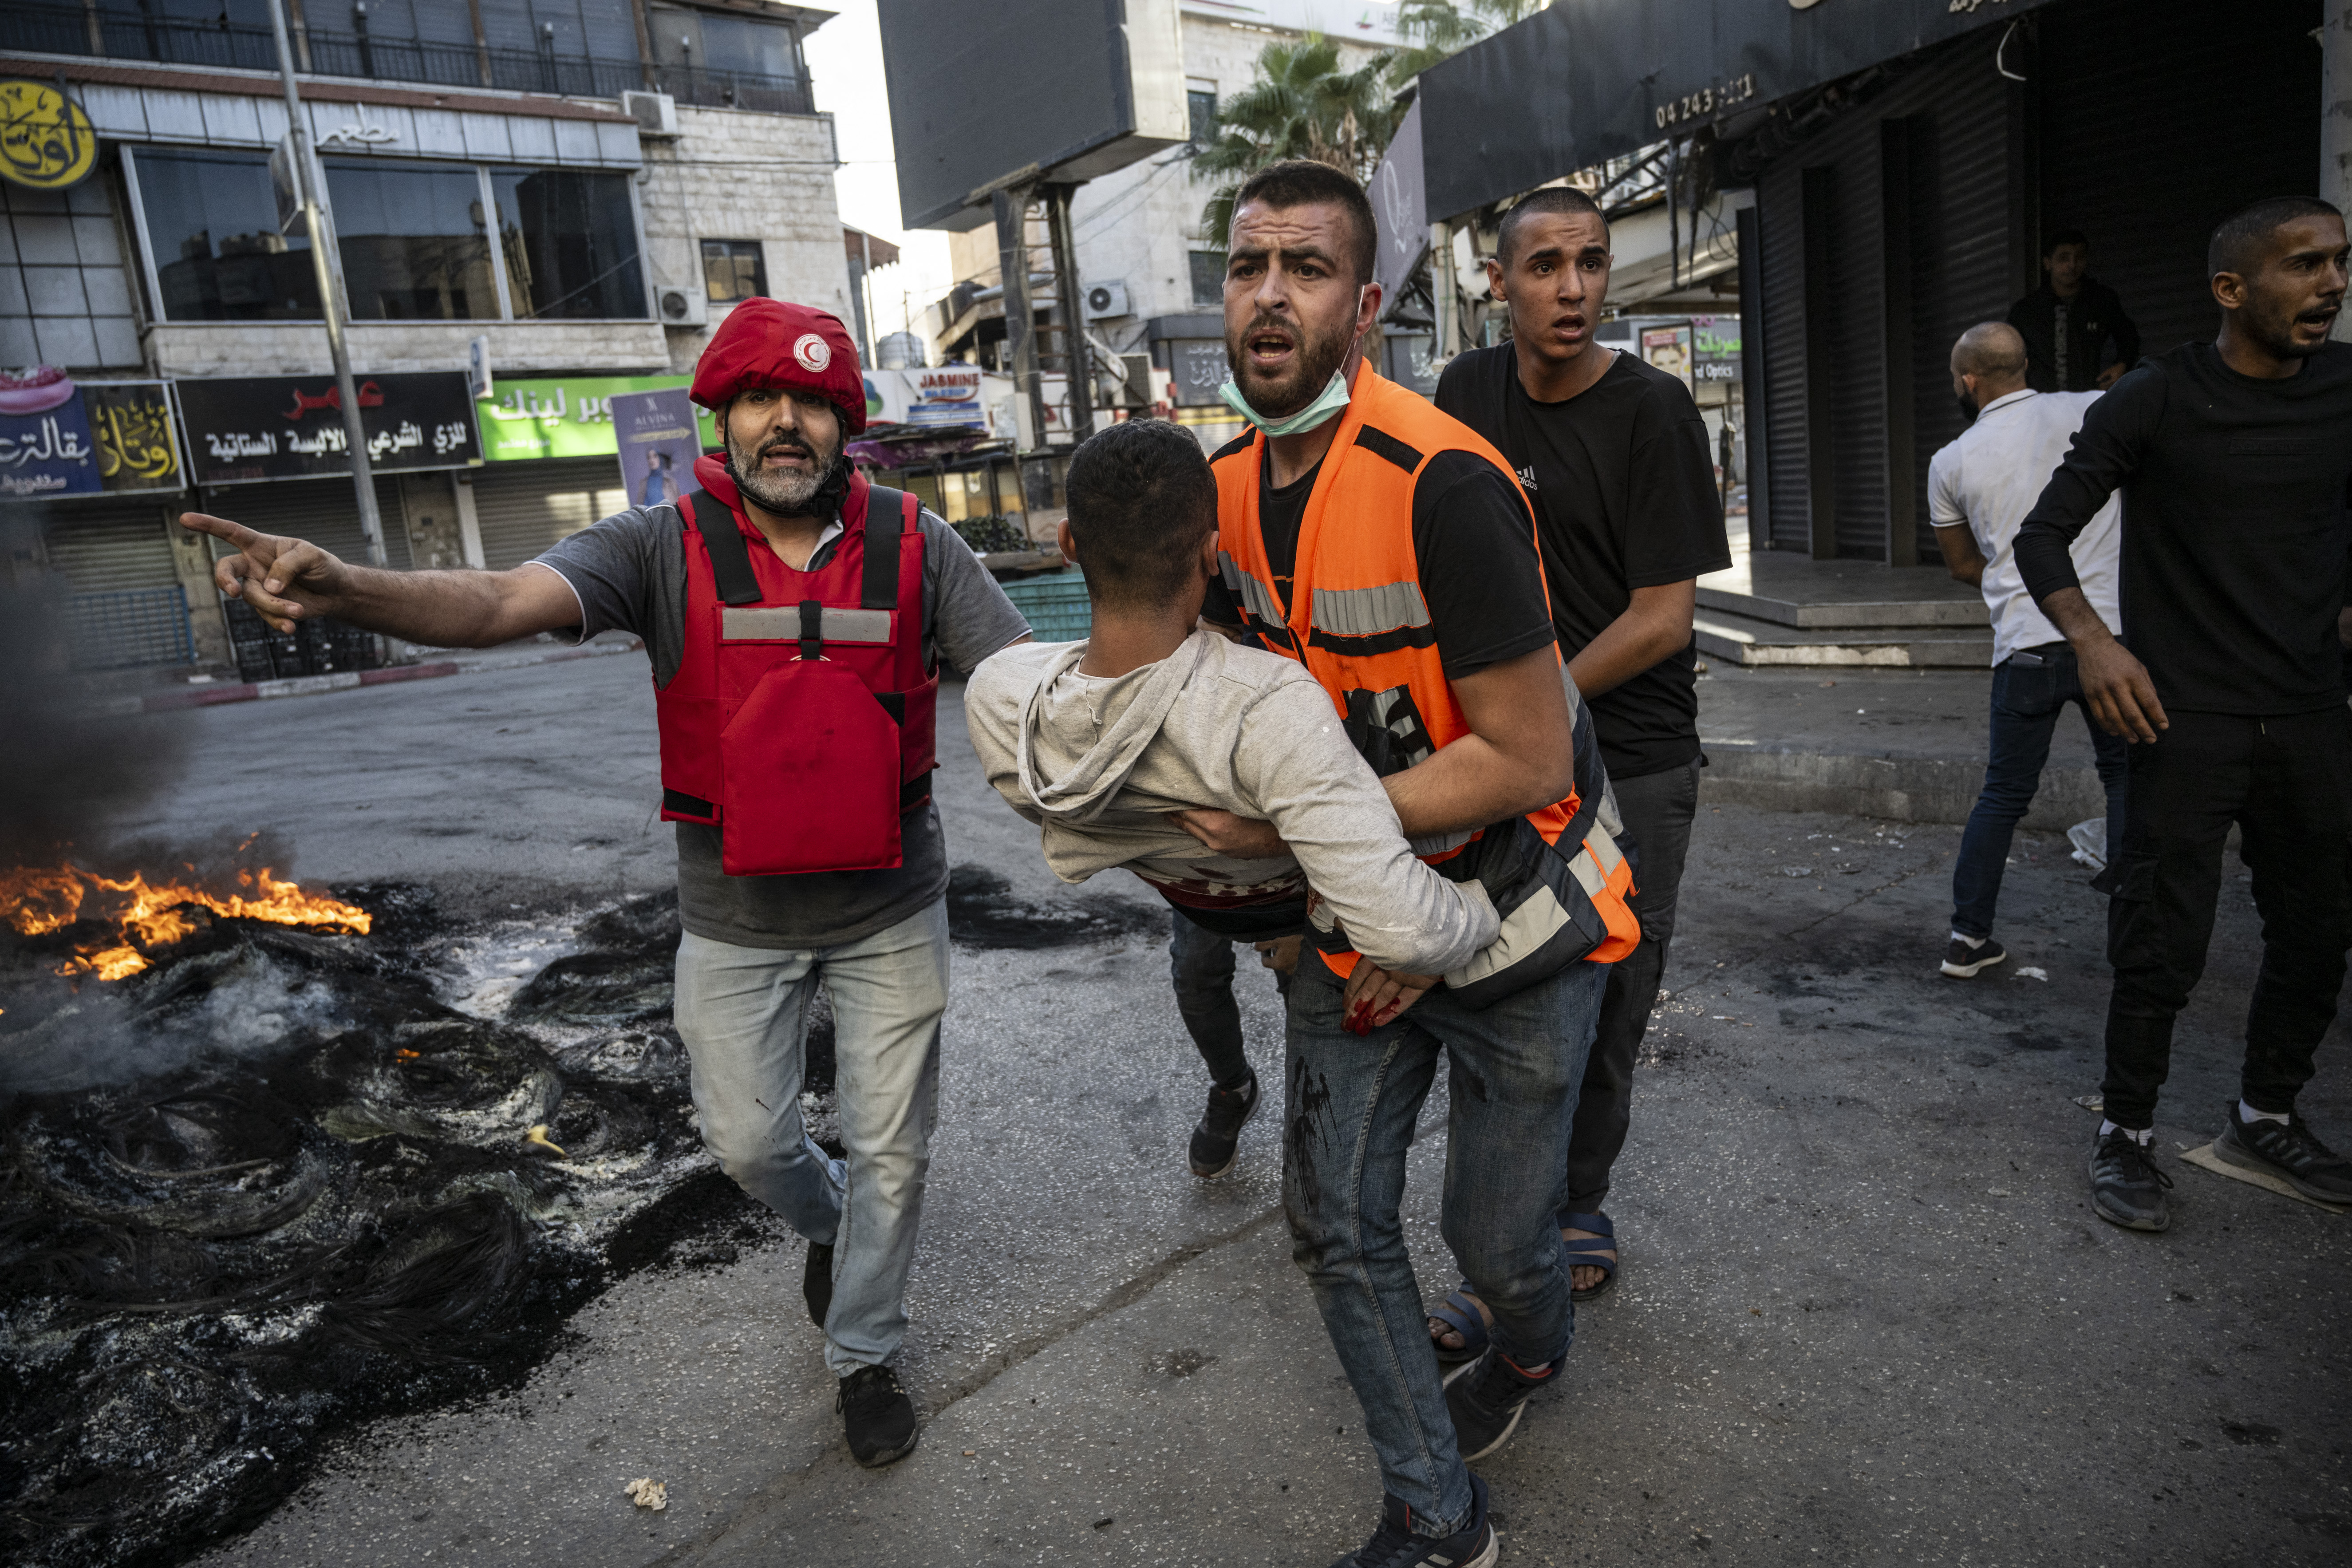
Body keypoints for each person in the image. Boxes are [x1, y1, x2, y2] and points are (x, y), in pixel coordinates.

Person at [179, 299, 1030, 1466]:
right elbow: (493, 602)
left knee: (896, 1146)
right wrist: (348, 589)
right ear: (721, 421)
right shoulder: (653, 545)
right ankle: (833, 1222)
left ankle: (864, 1350)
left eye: (812, 404)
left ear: (848, 424)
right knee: (747, 1143)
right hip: (733, 919)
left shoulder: (919, 544)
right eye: (758, 402)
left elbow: (1028, 679)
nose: (786, 424)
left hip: (892, 906)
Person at [1184, 159, 1640, 1568]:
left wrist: (1311, 851)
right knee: (1331, 1220)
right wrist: (1290, 916)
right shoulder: (1214, 492)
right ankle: (1436, 1515)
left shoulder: (1443, 480)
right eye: (1247, 264)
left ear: (1364, 305)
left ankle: (1524, 1343)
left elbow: (1523, 759)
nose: (1268, 291)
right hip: (1350, 909)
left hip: (1510, 921)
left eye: (1304, 267)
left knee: (1502, 1246)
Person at [2015, 196, 2352, 1231]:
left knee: (2317, 930)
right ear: (2231, 288)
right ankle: (2126, 1130)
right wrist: (2096, 642)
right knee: (2163, 938)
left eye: (2338, 263)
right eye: (2303, 266)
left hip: (2309, 713)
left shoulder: (2347, 388)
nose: (2330, 285)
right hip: (2185, 717)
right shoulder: (2156, 398)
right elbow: (2040, 538)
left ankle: (2265, 1110)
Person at [1431, 185, 1731, 1329]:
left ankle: (1577, 1202)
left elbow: (1664, 617)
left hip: (1636, 753)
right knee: (1500, 983)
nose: (1573, 288)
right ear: (1497, 283)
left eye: (1592, 263)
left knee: (1614, 985)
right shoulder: (1466, 393)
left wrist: (1534, 703)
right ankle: (1504, 1220)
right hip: (1502, 750)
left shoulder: (1653, 411)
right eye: (1546, 265)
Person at [965, 417, 1503, 1036]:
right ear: (1212, 554)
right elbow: (1412, 933)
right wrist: (1487, 911)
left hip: (1212, 903)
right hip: (1315, 903)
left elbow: (1034, 667)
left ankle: (1228, 1090)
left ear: (1068, 544)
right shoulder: (1266, 706)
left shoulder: (998, 698)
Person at [1929, 321, 2126, 980]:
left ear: (1968, 382)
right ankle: (2135, 929)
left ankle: (1967, 938)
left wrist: (2014, 573)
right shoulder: (2092, 410)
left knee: (2003, 796)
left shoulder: (1951, 460)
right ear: (2025, 365)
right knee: (2126, 778)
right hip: (2110, 642)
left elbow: (1963, 564)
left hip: (2025, 648)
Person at [2008, 229, 2141, 393]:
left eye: (2080, 257)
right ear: (2048, 263)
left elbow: (2129, 337)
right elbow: (2010, 362)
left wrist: (2122, 365)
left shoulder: (2101, 300)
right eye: (2064, 258)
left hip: (2089, 401)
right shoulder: (2026, 312)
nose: (2072, 265)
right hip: (2042, 406)